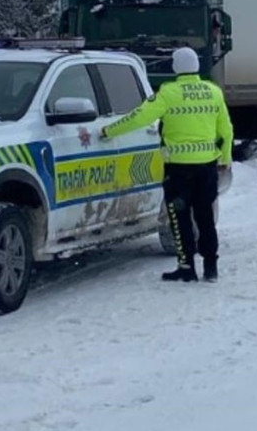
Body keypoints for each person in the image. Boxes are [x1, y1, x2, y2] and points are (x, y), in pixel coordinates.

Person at [100, 47, 234, 283]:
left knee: (180, 218)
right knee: (205, 217)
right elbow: (226, 130)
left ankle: (187, 268)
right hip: (207, 168)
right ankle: (211, 268)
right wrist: (225, 159)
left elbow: (140, 117)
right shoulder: (213, 92)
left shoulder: (168, 93)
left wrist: (109, 130)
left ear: (176, 67)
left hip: (179, 170)